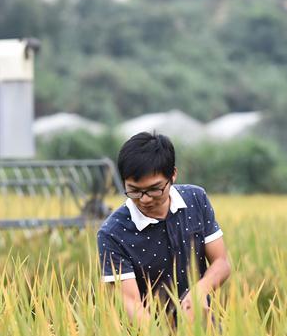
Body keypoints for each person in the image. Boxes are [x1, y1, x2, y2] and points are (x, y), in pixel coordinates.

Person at [97, 132, 231, 325]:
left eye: (154, 189)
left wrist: (199, 291)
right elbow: (130, 301)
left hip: (202, 328)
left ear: (173, 175)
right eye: (134, 190)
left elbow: (221, 262)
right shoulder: (112, 233)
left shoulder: (196, 200)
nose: (144, 199)